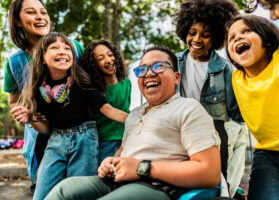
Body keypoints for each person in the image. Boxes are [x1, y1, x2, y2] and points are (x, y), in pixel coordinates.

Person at [44, 45, 221, 200]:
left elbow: (209, 173)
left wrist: (142, 168)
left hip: (158, 186)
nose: (149, 73)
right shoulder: (134, 115)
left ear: (176, 77)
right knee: (63, 190)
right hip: (117, 181)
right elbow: (123, 153)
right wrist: (110, 162)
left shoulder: (189, 109)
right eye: (142, 70)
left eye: (158, 66)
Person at [10, 32, 128, 200]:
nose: (63, 51)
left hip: (84, 140)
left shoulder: (82, 81)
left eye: (67, 48)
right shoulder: (38, 89)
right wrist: (30, 118)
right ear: (42, 57)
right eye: (54, 48)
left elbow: (108, 109)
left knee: (77, 193)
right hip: (55, 140)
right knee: (41, 195)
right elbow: (45, 128)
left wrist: (138, 119)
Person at [4, 0, 84, 184]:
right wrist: (27, 113)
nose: (40, 17)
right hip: (42, 139)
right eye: (31, 12)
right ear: (17, 21)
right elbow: (14, 100)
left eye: (43, 12)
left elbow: (95, 86)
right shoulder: (15, 63)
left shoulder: (72, 47)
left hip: (81, 137)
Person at [173, 0, 246, 196]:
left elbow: (235, 112)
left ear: (216, 38)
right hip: (180, 130)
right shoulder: (173, 62)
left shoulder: (224, 68)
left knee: (215, 186)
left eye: (205, 35)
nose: (197, 39)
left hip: (214, 133)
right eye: (192, 32)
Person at [226, 15, 279, 200]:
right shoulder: (235, 79)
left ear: (268, 40)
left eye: (247, 31)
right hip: (269, 156)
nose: (238, 37)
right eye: (231, 38)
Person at [80, 40, 131, 164]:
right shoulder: (94, 90)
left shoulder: (126, 82)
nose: (108, 60)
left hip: (127, 139)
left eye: (110, 54)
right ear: (94, 64)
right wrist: (140, 120)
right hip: (105, 142)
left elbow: (126, 108)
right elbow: (110, 111)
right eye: (101, 58)